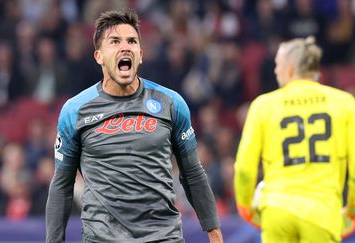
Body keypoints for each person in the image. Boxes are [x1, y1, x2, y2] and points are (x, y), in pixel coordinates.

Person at [46, 9, 223, 243]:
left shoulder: (171, 103)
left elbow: (192, 173)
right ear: (99, 56)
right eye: (115, 41)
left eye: (132, 41)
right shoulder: (74, 110)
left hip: (163, 237)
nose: (125, 47)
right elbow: (62, 185)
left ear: (140, 54)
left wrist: (215, 232)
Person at [234, 36, 355, 243]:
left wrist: (246, 207)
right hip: (322, 211)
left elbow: (244, 169)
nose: (275, 71)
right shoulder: (344, 103)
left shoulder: (263, 106)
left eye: (277, 65)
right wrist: (353, 208)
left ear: (290, 68)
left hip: (277, 210)